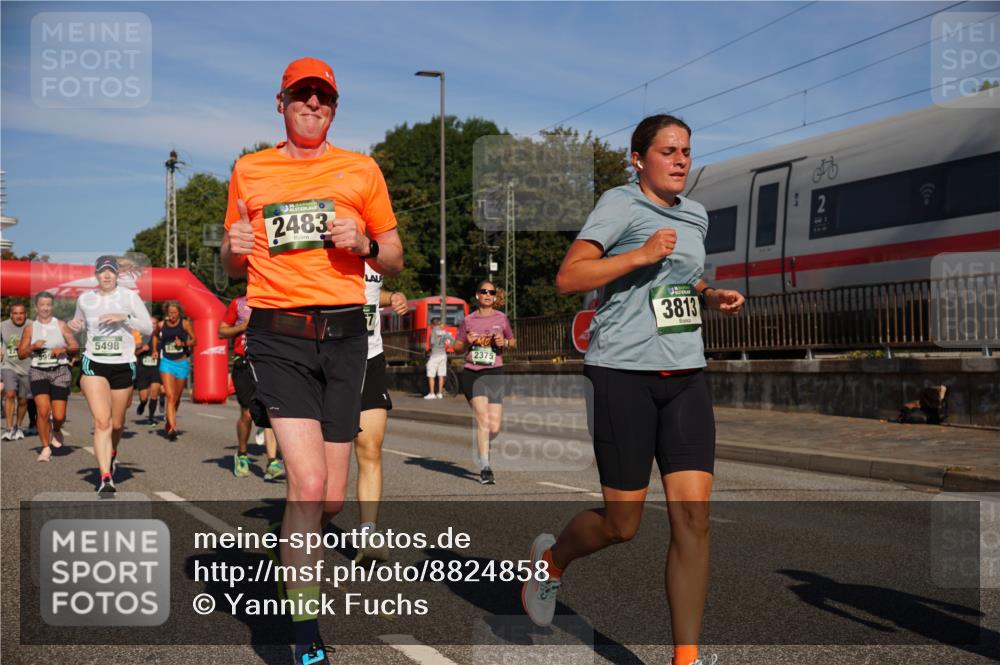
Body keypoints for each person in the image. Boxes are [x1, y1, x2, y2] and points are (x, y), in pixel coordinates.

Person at [521, 115, 745, 665]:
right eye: (668, 151)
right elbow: (570, 277)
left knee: (693, 518)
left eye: (686, 151)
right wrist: (640, 254)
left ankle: (685, 658)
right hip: (621, 374)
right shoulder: (619, 205)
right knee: (623, 524)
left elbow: (682, 278)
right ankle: (551, 562)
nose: (680, 160)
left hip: (685, 375)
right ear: (638, 159)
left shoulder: (695, 214)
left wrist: (709, 294)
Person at [220, 56, 402, 665]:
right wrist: (230, 249)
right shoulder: (249, 170)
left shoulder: (360, 169)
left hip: (348, 338)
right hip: (280, 335)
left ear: (334, 107)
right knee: (309, 484)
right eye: (303, 95)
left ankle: (297, 564)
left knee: (329, 500)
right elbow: (231, 260)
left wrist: (366, 244)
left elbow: (395, 255)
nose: (313, 104)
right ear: (281, 102)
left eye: (323, 97)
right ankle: (304, 634)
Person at [69, 256, 153, 493]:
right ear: (96, 275)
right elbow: (78, 322)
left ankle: (112, 452)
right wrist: (73, 326)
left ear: (117, 275)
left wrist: (124, 318)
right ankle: (106, 477)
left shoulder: (129, 297)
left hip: (123, 363)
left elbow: (148, 327)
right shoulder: (85, 299)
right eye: (102, 271)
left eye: (110, 272)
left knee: (117, 424)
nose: (106, 275)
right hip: (94, 362)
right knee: (102, 422)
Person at [354, 265, 407, 562]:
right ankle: (299, 531)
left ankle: (367, 534)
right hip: (330, 361)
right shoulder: (328, 239)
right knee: (323, 462)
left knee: (370, 448)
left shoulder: (376, 249)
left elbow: (371, 291)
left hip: (371, 358)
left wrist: (393, 296)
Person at [452, 281, 515, 485]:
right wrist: (467, 342)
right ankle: (485, 467)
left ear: (495, 297)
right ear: (477, 295)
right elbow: (457, 347)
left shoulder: (502, 318)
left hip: (494, 372)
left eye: (491, 292)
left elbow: (512, 342)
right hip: (473, 373)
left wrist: (503, 342)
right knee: (483, 420)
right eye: (483, 291)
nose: (487, 295)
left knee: (494, 426)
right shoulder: (468, 321)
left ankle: (484, 446)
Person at [219, 294, 283, 480]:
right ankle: (242, 454)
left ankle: (272, 461)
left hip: (269, 362)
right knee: (247, 414)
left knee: (269, 411)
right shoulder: (238, 303)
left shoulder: (275, 299)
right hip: (244, 363)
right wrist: (241, 327)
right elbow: (221, 331)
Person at [17, 291, 78, 461]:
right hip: (38, 372)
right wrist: (32, 347)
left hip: (59, 371)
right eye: (42, 304)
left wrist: (64, 349)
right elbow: (21, 354)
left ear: (52, 306)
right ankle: (45, 448)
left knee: (59, 416)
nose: (45, 308)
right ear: (36, 306)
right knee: (43, 411)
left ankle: (56, 429)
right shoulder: (30, 328)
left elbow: (75, 345)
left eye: (48, 305)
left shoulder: (60, 325)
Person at [155, 302, 196, 441]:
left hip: (182, 363)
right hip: (167, 363)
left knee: (177, 398)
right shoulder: (161, 325)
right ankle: (173, 428)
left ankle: (169, 421)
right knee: (171, 397)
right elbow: (155, 336)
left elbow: (194, 340)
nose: (172, 316)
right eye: (170, 313)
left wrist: (183, 344)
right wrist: (155, 350)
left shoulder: (185, 324)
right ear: (167, 312)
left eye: (175, 313)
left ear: (179, 313)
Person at [1, 303, 33, 440]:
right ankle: (8, 428)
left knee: (23, 400)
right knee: (9, 394)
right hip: (8, 364)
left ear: (26, 314)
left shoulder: (33, 325)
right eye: (16, 313)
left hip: (27, 366)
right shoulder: (3, 325)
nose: (19, 316)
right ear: (11, 315)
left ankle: (18, 427)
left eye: (21, 313)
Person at [134, 315, 163, 427]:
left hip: (156, 368)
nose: (152, 326)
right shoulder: (140, 337)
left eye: (154, 324)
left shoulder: (161, 337)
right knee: (144, 397)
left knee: (154, 393)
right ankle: (142, 404)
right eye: (150, 324)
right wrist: (141, 350)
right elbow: (133, 354)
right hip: (142, 369)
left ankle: (151, 417)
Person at [424, 316, 453, 399]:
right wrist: (448, 346)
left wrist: (430, 349)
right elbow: (452, 339)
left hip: (435, 355)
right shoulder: (444, 331)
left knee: (431, 374)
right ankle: (440, 393)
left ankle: (432, 393)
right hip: (443, 354)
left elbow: (432, 343)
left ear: (432, 324)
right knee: (441, 374)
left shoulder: (434, 330)